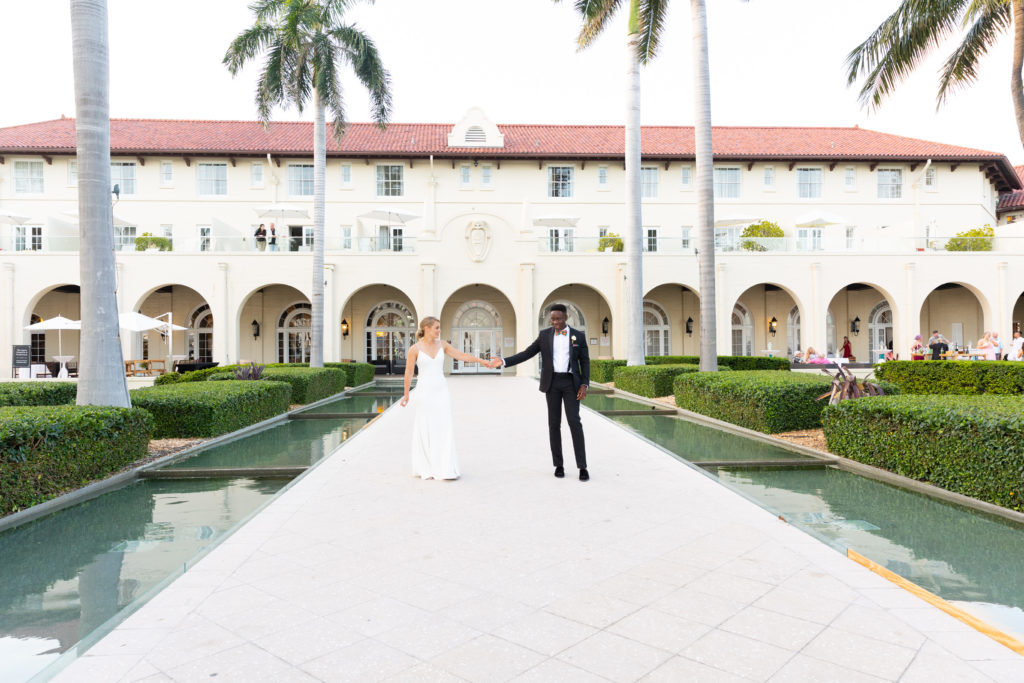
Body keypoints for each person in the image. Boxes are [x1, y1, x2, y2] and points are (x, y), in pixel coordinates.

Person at [489, 304, 591, 481]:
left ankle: (582, 467)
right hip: (552, 383)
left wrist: (584, 384)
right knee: (554, 424)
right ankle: (558, 465)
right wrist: (504, 361)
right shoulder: (545, 335)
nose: (555, 322)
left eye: (558, 318)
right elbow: (527, 353)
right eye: (552, 319)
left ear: (566, 318)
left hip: (570, 383)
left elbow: (585, 362)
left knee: (575, 422)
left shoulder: (578, 336)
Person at [400, 316, 490, 481]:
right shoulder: (415, 349)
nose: (439, 330)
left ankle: (445, 466)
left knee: (443, 426)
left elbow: (461, 355)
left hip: (441, 391)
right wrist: (406, 394)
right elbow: (409, 372)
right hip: (424, 392)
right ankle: (426, 466)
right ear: (426, 328)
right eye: (436, 327)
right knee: (426, 427)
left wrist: (480, 360)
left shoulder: (443, 345)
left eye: (439, 327)